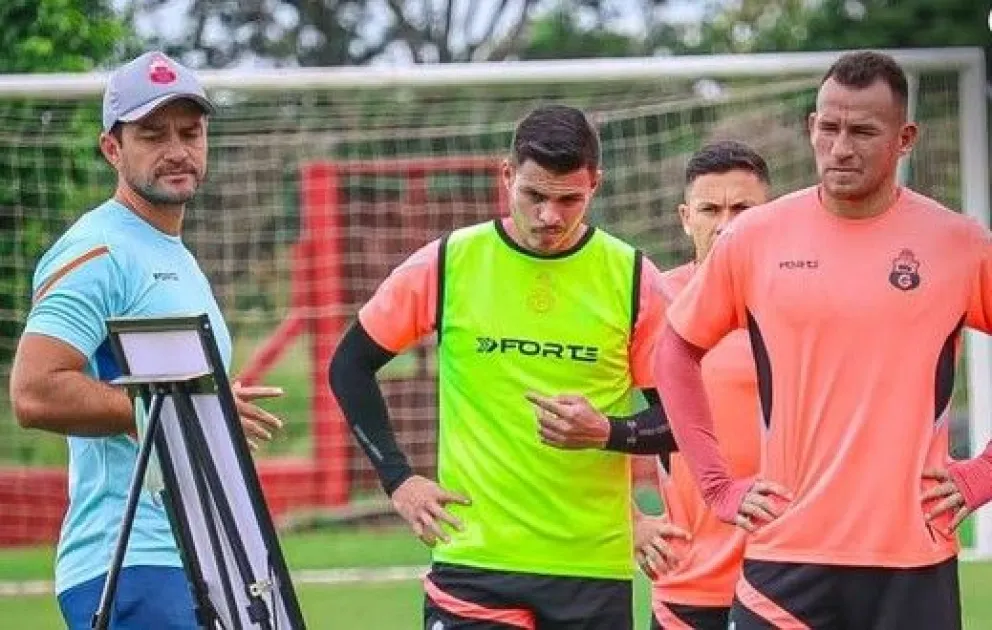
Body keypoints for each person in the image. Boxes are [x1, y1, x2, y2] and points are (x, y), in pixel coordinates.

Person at [655, 49, 992, 629]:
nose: (840, 147)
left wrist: (983, 474)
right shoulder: (755, 238)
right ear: (811, 127)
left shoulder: (958, 244)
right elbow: (675, 351)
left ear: (905, 137)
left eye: (863, 131)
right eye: (828, 127)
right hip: (786, 556)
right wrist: (717, 487)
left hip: (914, 558)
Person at [329, 104, 671, 629]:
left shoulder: (632, 278)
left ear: (595, 186)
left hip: (591, 569)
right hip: (474, 565)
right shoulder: (448, 263)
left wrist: (608, 431)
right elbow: (350, 365)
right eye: (534, 195)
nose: (549, 216)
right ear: (506, 175)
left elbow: (679, 422)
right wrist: (399, 480)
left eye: (568, 199)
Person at [9, 51, 284, 629]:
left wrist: (204, 406)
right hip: (128, 559)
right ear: (113, 149)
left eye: (190, 132)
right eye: (153, 135)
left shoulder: (173, 255)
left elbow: (164, 391)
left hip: (199, 555)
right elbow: (34, 392)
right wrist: (183, 408)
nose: (177, 150)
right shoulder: (97, 251)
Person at [530, 140, 772, 629]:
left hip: (791, 573)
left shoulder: (802, 305)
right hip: (689, 577)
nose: (726, 223)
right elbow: (587, 422)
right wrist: (633, 520)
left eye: (743, 208)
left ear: (771, 216)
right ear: (686, 217)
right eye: (709, 208)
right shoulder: (655, 303)